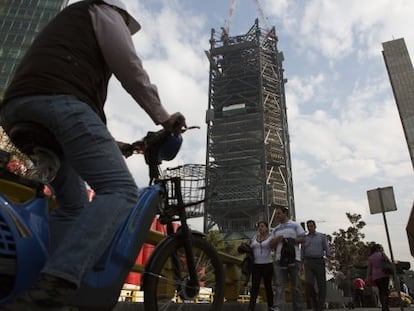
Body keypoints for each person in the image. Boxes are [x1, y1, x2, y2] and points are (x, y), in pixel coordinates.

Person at [0, 0, 186, 310]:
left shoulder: (69, 31)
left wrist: (120, 146)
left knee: (72, 204)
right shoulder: (103, 12)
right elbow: (129, 66)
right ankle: (58, 283)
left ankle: (49, 288)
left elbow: (77, 122)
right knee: (122, 190)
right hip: (57, 100)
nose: (127, 33)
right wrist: (163, 117)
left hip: (19, 108)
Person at [270, 206, 306, 311]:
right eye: (276, 214)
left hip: (294, 258)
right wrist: (277, 240)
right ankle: (277, 307)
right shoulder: (275, 229)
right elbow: (271, 244)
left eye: (279, 213)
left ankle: (298, 308)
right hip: (279, 259)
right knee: (279, 284)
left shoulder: (295, 225)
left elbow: (304, 239)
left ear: (285, 213)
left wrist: (291, 241)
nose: (277, 216)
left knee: (295, 285)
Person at [301, 220, 331, 311]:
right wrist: (301, 264)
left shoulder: (321, 236)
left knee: (321, 285)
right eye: (308, 226)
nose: (310, 228)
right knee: (308, 283)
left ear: (315, 226)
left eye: (311, 226)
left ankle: (320, 306)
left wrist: (329, 260)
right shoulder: (305, 238)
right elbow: (302, 251)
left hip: (319, 261)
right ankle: (314, 302)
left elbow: (326, 248)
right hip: (308, 262)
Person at [248, 221, 274, 311]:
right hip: (256, 265)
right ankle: (251, 307)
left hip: (267, 264)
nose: (260, 228)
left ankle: (270, 306)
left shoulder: (271, 237)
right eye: (259, 226)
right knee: (255, 286)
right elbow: (250, 247)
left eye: (262, 226)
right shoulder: (255, 237)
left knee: (268, 286)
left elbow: (274, 246)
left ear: (266, 228)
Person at [366, 244, 390, 311]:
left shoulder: (370, 257)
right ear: (378, 248)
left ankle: (383, 306)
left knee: (381, 291)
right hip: (385, 274)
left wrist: (367, 277)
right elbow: (389, 262)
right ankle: (386, 306)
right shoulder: (382, 254)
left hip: (376, 276)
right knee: (385, 291)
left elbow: (369, 269)